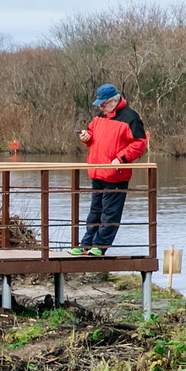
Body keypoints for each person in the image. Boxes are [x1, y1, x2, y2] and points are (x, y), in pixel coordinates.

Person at [74, 83, 148, 255]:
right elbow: (92, 138)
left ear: (114, 101)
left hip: (116, 174)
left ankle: (100, 246)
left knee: (110, 213)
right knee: (95, 211)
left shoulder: (130, 117)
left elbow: (139, 143)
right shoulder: (100, 118)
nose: (100, 107)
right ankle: (86, 244)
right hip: (98, 172)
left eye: (103, 104)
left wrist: (121, 159)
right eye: (100, 104)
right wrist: (86, 137)